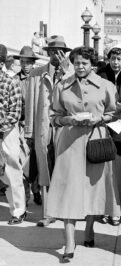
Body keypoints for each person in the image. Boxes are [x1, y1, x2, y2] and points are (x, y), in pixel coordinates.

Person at [45, 46, 121, 262]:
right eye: (76, 63)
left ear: (92, 65)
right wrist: (68, 120)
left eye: (84, 63)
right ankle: (70, 243)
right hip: (69, 145)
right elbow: (54, 115)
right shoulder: (62, 86)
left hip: (96, 142)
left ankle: (89, 229)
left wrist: (100, 119)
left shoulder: (106, 85)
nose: (79, 67)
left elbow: (116, 113)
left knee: (94, 191)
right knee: (69, 192)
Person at [25, 35, 74, 227]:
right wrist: (29, 131)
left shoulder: (71, 72)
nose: (56, 55)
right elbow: (30, 104)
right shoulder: (37, 73)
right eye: (52, 52)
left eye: (60, 52)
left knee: (65, 169)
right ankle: (48, 212)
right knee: (45, 169)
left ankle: (66, 210)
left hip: (65, 127)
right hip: (44, 127)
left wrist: (67, 71)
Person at [97, 44, 121, 225]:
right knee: (102, 171)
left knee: (119, 172)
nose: (115, 62)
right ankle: (103, 208)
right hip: (104, 126)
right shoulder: (100, 74)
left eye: (119, 59)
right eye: (112, 59)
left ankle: (116, 210)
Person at [0, 43, 26, 225]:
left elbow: (14, 113)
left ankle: (18, 210)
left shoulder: (11, 82)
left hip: (7, 132)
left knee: (11, 170)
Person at [13, 46, 41, 206]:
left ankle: (36, 190)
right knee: (22, 162)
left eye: (28, 62)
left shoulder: (39, 79)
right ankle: (25, 198)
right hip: (22, 126)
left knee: (37, 161)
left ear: (33, 63)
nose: (25, 65)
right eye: (22, 62)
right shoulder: (15, 80)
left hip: (38, 126)